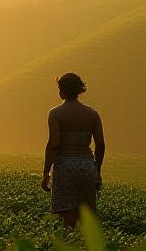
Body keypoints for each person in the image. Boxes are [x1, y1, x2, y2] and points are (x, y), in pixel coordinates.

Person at [40, 72, 105, 229]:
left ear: (61, 91)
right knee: (86, 218)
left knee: (68, 220)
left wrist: (46, 172)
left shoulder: (55, 113)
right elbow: (100, 145)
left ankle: (69, 241)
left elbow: (53, 144)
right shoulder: (92, 114)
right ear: (79, 90)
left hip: (65, 167)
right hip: (87, 166)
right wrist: (97, 171)